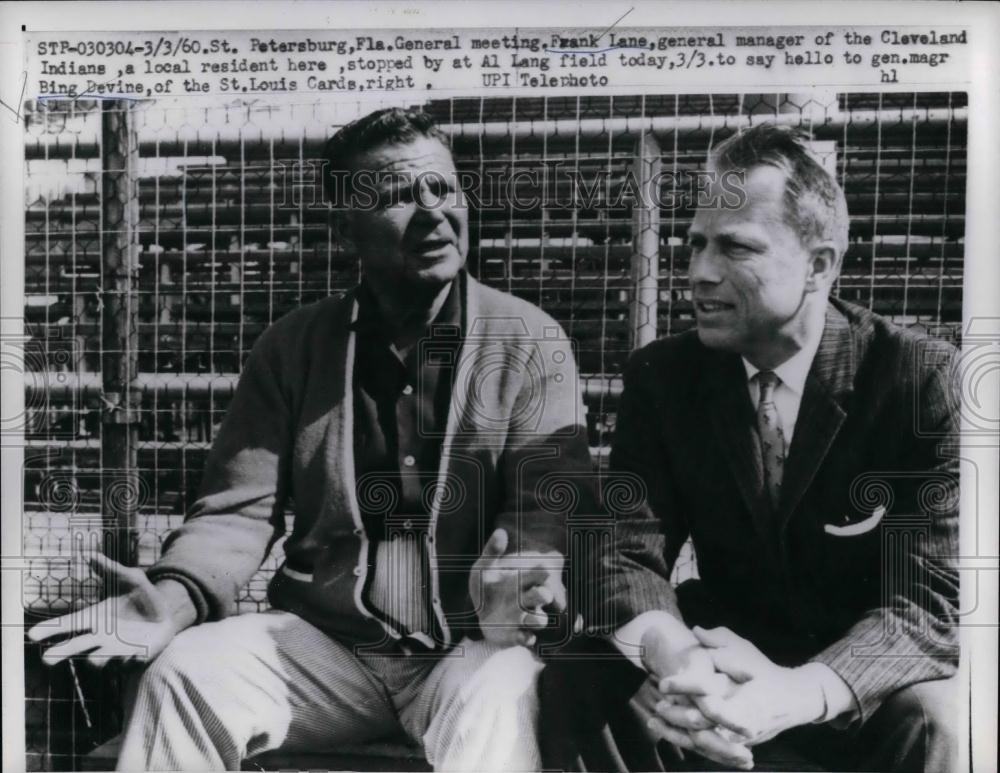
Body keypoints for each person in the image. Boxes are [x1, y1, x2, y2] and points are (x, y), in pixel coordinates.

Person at [29, 107, 595, 772]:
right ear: (343, 229)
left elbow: (548, 500)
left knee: (505, 691)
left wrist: (518, 577)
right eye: (392, 196)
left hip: (465, 647)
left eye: (442, 188)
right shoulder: (295, 345)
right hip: (331, 647)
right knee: (185, 673)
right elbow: (237, 511)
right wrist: (177, 598)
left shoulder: (529, 338)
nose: (431, 212)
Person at [539, 124, 960, 772]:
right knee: (582, 671)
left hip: (856, 683)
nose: (700, 273)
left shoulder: (919, 381)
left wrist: (793, 692)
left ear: (820, 265)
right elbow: (623, 549)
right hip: (718, 661)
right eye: (696, 244)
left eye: (735, 247)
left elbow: (926, 605)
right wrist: (676, 660)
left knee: (939, 717)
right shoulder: (665, 377)